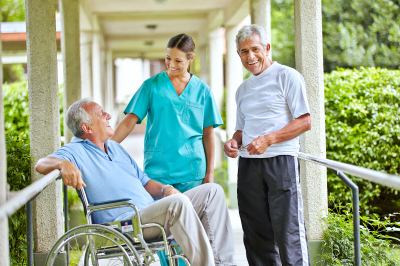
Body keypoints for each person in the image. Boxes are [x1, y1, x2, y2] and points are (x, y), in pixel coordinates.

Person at [35, 98, 236, 266]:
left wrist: (166, 189)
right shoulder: (75, 151)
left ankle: (224, 263)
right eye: (101, 114)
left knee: (213, 192)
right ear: (86, 128)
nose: (109, 116)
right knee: (178, 204)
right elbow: (40, 164)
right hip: (123, 225)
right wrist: (63, 164)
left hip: (150, 213)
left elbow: (145, 182)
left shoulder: (114, 147)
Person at [223, 24, 311, 266]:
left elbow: (304, 121)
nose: (250, 57)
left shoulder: (287, 76)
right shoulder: (242, 90)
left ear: (267, 48)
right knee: (255, 234)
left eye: (255, 49)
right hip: (249, 167)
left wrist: (269, 139)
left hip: (281, 162)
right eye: (243, 52)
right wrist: (232, 142)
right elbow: (241, 129)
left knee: (288, 232)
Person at [111, 34, 223, 193]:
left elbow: (208, 134)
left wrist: (209, 174)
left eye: (178, 61)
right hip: (159, 170)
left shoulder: (203, 91)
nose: (171, 64)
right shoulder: (151, 86)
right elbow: (129, 122)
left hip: (192, 171)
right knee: (161, 216)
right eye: (168, 58)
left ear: (191, 59)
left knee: (191, 217)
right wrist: (106, 147)